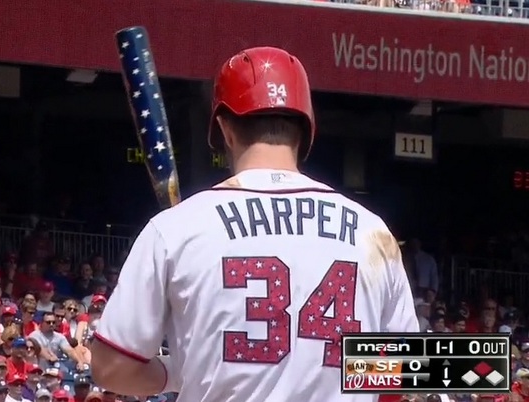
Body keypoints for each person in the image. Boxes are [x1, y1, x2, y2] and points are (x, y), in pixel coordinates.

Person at [90, 46, 419, 401]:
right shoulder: (372, 231)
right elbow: (402, 371)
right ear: (306, 129)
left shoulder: (176, 228)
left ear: (224, 129)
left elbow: (111, 368)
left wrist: (177, 371)